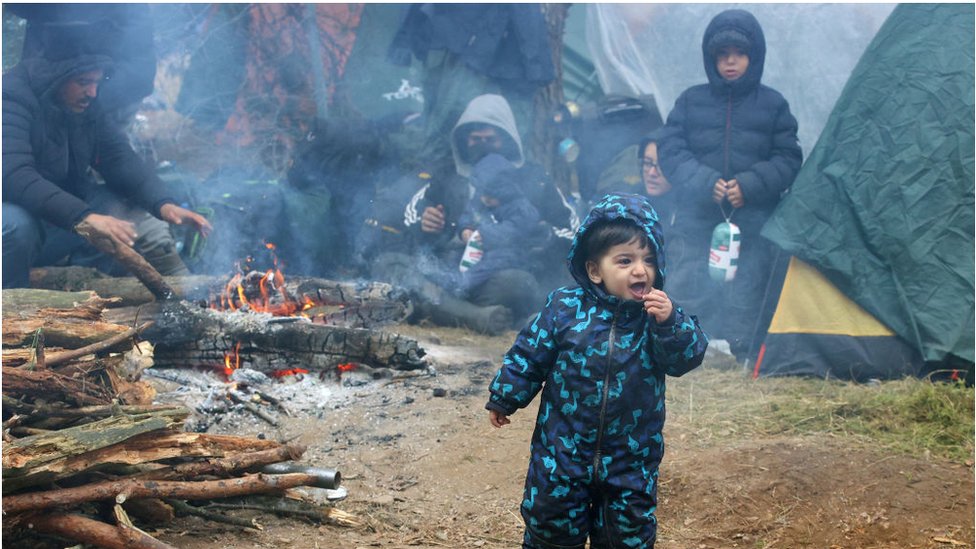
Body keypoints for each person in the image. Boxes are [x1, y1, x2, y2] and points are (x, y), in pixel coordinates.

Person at [486, 193, 708, 548]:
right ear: (594, 270)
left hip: (631, 459)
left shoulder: (657, 318)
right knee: (551, 528)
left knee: (628, 535)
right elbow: (530, 354)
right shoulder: (564, 307)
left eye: (649, 260)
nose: (640, 270)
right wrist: (505, 396)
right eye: (625, 260)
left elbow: (686, 358)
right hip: (562, 452)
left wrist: (671, 322)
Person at [2, 41, 211, 288]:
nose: (92, 92)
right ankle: (11, 310)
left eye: (96, 83)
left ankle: (81, 299)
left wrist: (164, 204)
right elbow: (14, 175)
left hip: (52, 214)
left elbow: (118, 157)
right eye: (83, 83)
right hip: (13, 215)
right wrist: (84, 217)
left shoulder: (86, 106)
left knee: (113, 215)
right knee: (17, 225)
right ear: (57, 79)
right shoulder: (12, 98)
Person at [657, 9, 802, 361]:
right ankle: (684, 349)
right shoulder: (691, 101)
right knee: (690, 281)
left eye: (738, 53)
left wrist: (750, 185)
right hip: (698, 216)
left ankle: (741, 350)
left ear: (754, 57)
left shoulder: (773, 104)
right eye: (722, 55)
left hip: (753, 219)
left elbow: (789, 157)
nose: (730, 62)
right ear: (712, 59)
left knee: (748, 287)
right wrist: (705, 182)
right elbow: (671, 150)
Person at [370, 93, 578, 333]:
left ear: (508, 139)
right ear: (463, 141)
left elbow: (572, 232)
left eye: (490, 139)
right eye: (475, 140)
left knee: (518, 284)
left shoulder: (534, 179)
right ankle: (474, 317)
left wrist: (543, 236)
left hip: (496, 280)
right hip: (446, 275)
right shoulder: (447, 176)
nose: (482, 146)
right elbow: (410, 219)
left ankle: (443, 311)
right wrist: (425, 225)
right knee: (388, 265)